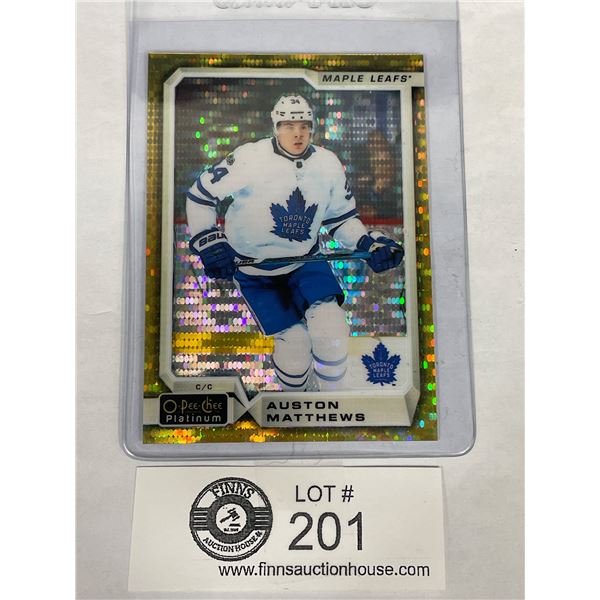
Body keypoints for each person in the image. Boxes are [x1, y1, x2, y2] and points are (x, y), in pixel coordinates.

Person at [186, 94, 403, 392]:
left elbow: (341, 220)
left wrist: (370, 243)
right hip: (255, 271)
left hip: (304, 262)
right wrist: (208, 241)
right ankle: (295, 404)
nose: (297, 133)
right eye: (288, 126)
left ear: (312, 127)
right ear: (276, 127)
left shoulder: (327, 163)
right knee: (295, 344)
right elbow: (200, 195)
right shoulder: (250, 157)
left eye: (304, 126)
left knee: (331, 328)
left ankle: (335, 399)